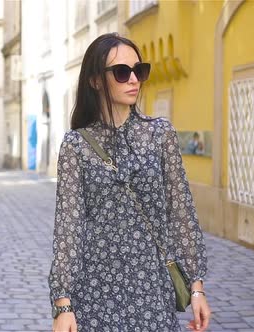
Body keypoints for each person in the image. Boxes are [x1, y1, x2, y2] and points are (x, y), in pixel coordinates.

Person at [48, 33, 211, 332]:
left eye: (140, 70)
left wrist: (197, 288)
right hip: (95, 291)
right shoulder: (76, 145)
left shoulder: (160, 134)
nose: (134, 79)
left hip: (153, 287)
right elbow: (68, 228)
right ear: (96, 80)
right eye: (122, 72)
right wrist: (63, 304)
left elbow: (181, 213)